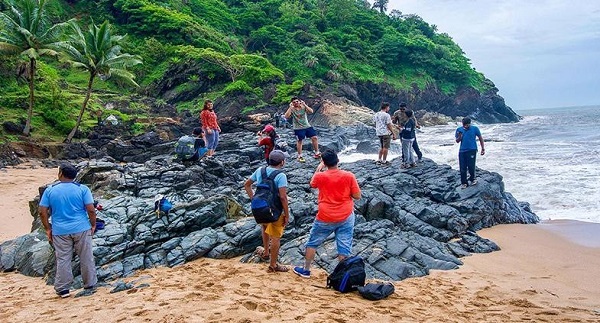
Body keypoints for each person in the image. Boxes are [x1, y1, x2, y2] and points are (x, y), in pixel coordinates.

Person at [293, 149, 361, 278]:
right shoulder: (349, 176)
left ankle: (306, 270)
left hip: (325, 216)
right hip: (346, 215)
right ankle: (343, 276)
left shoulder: (320, 176)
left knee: (313, 243)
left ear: (324, 162)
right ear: (338, 160)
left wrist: (319, 168)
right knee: (344, 246)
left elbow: (312, 184)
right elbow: (357, 196)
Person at [38, 163, 97, 298]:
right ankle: (89, 284)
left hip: (60, 230)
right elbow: (91, 209)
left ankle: (63, 289)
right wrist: (93, 225)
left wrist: (48, 228)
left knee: (63, 259)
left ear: (61, 174)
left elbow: (42, 211)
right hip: (81, 227)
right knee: (86, 256)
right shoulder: (82, 189)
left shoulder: (50, 190)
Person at [244, 150, 290, 273]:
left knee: (264, 226)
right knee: (276, 236)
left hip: (261, 207)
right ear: (282, 162)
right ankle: (273, 265)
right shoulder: (281, 175)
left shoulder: (260, 170)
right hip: (275, 209)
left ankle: (265, 252)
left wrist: (253, 199)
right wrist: (286, 214)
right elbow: (283, 197)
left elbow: (247, 185)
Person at [284, 96, 321, 162]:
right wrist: (290, 107)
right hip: (298, 128)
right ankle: (300, 155)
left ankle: (317, 152)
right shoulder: (292, 109)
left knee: (314, 137)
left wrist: (305, 104)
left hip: (307, 126)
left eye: (297, 101)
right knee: (300, 140)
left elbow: (311, 111)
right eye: (294, 102)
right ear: (292, 103)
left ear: (299, 101)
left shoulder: (303, 107)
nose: (296, 103)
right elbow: (286, 116)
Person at [455, 117, 485, 189]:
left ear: (470, 123)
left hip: (472, 149)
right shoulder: (459, 130)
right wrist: (460, 136)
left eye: (467, 125)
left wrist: (483, 148)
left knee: (471, 166)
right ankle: (464, 183)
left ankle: (473, 179)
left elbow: (480, 138)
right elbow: (457, 141)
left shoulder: (475, 129)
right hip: (462, 151)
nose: (465, 126)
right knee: (462, 167)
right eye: (464, 125)